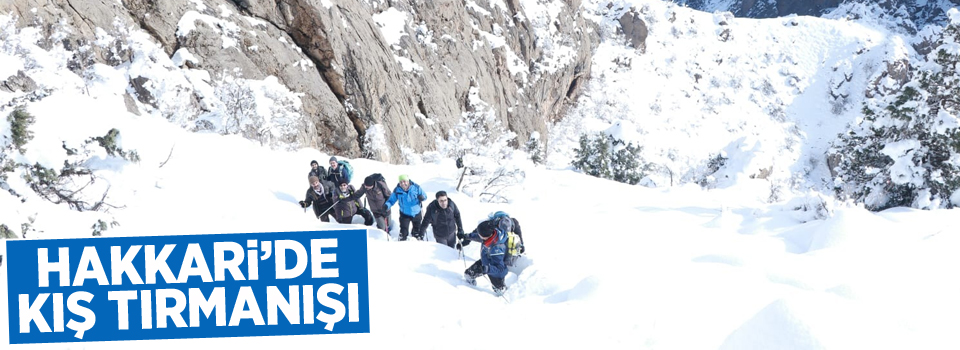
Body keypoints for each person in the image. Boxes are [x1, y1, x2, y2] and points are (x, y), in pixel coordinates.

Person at [458, 214, 513, 295]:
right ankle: (470, 287)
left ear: (485, 236)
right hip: (485, 262)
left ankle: (506, 296)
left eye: (479, 234)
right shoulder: (491, 234)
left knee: (500, 292)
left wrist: (487, 269)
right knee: (468, 275)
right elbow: (478, 236)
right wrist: (466, 236)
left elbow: (501, 269)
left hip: (495, 272)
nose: (478, 235)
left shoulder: (497, 249)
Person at [384, 174, 426, 241]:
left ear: (408, 181)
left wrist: (422, 197)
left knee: (417, 229)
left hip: (416, 213)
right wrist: (386, 205)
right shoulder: (397, 190)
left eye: (404, 181)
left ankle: (415, 236)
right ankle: (403, 240)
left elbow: (425, 196)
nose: (403, 183)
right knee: (403, 230)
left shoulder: (416, 187)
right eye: (401, 182)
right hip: (404, 213)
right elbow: (391, 200)